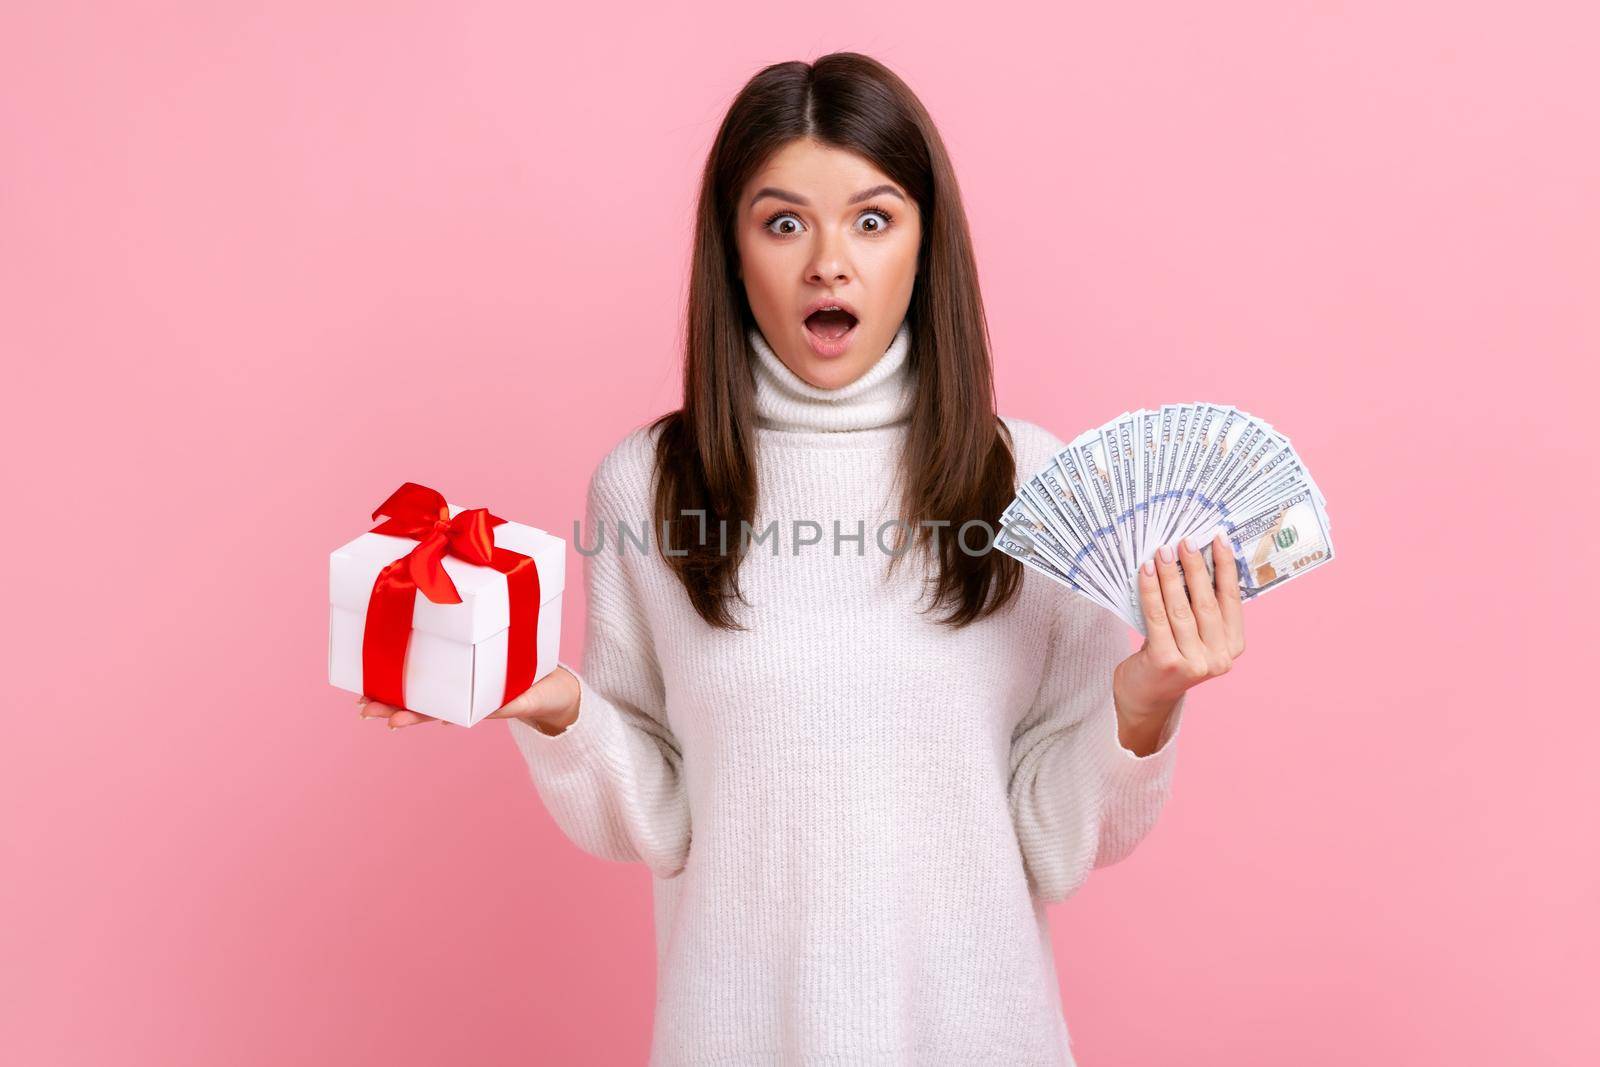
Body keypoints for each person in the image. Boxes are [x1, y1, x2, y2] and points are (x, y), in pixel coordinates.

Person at [360, 51, 1245, 1066]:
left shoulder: (1028, 483)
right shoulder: (650, 485)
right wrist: (547, 697)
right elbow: (659, 815)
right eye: (784, 223)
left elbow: (1054, 837)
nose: (830, 261)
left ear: (925, 245)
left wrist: (1144, 697)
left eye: (873, 220)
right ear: (732, 252)